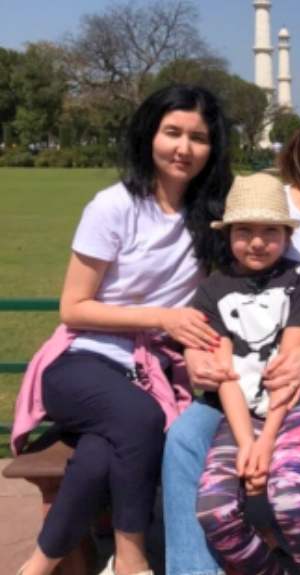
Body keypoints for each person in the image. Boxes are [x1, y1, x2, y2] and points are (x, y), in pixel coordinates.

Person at [11, 84, 233, 575]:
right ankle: (131, 559)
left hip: (151, 371)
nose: (184, 147)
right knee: (139, 420)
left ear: (212, 148)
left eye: (198, 137)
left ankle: (35, 568)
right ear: (149, 135)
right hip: (83, 362)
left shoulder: (213, 216)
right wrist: (162, 317)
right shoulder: (115, 206)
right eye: (172, 132)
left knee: (99, 454)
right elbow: (73, 308)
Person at [161, 95, 300, 575]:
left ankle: (271, 537)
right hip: (236, 363)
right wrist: (195, 353)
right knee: (184, 441)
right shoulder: (259, 198)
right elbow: (214, 291)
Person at [193, 173, 300, 573]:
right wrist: (247, 443)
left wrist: (267, 441)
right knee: (215, 510)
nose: (256, 242)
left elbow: (289, 370)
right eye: (244, 231)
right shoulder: (212, 290)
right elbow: (224, 373)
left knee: (289, 496)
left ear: (287, 236)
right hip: (243, 407)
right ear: (228, 235)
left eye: (269, 231)